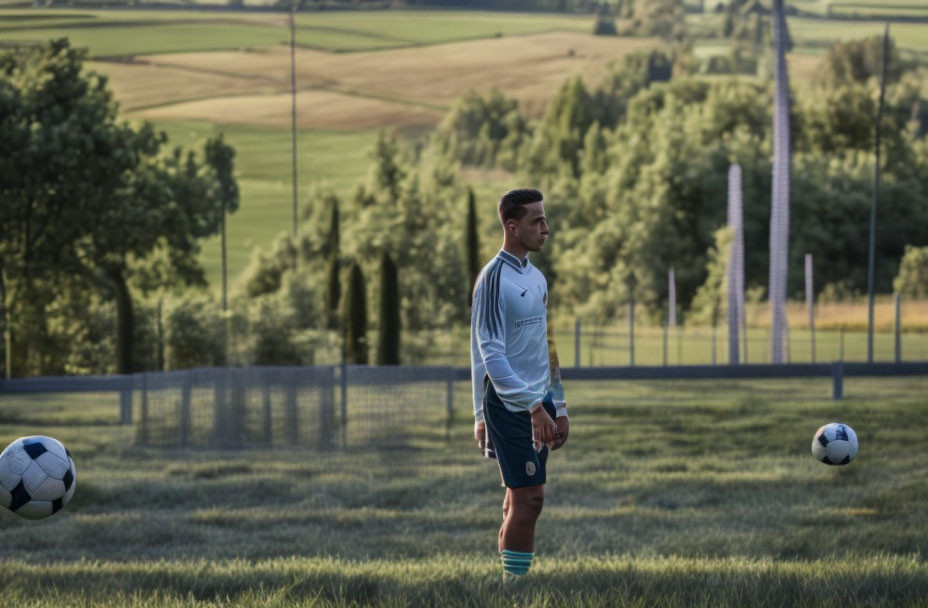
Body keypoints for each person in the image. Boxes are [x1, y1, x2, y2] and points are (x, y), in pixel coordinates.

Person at [470, 188, 569, 581]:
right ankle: (516, 588)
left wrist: (558, 407)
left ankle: (508, 581)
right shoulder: (493, 279)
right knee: (530, 498)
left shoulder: (537, 277)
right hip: (512, 406)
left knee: (518, 496)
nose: (546, 228)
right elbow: (490, 357)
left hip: (539, 402)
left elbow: (547, 344)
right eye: (536, 221)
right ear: (512, 227)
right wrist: (532, 407)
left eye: (545, 219)